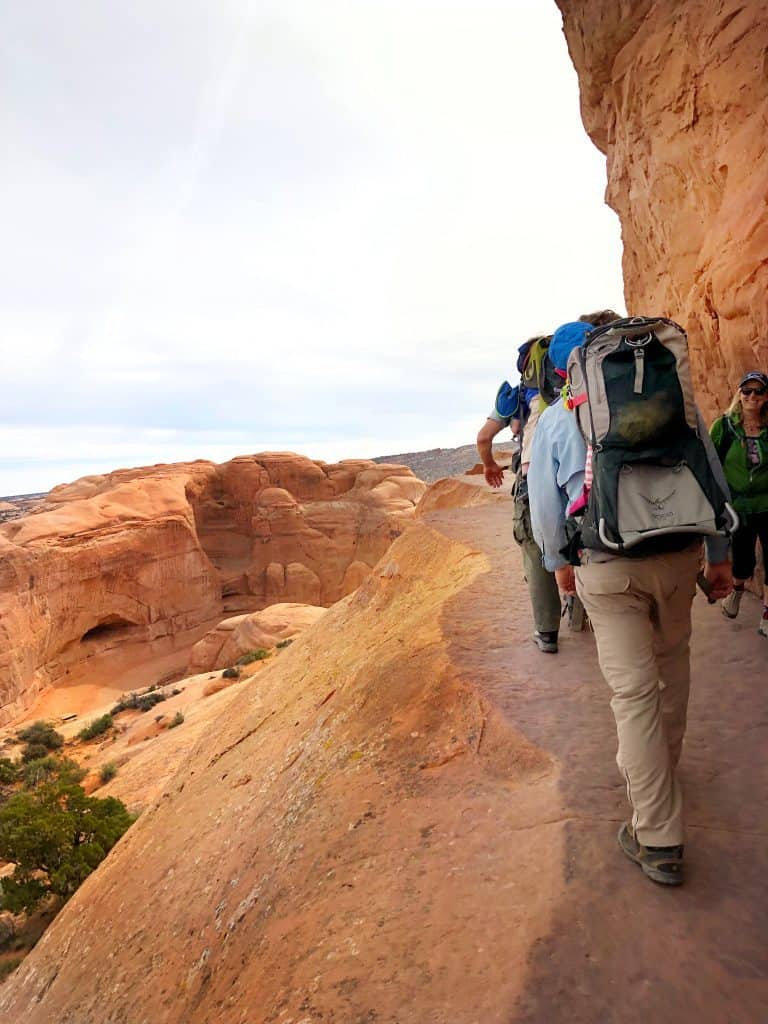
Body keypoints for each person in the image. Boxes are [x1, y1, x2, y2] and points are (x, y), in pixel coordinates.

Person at [528, 319, 733, 887]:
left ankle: (657, 834)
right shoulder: (669, 397)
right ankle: (660, 777)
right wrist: (719, 553)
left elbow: (547, 510)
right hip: (676, 555)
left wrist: (558, 569)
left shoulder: (555, 417)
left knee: (633, 695)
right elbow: (707, 468)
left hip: (607, 566)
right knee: (673, 671)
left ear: (567, 369)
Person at [477, 373, 562, 654]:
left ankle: (547, 631)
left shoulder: (519, 394)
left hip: (534, 473)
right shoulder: (584, 378)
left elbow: (483, 438)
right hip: (579, 466)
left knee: (533, 544)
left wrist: (489, 466)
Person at [710, 370, 768, 637]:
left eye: (758, 391)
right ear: (739, 394)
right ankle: (737, 590)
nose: (752, 397)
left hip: (766, 504)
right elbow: (711, 464)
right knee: (743, 559)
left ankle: (767, 615)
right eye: (747, 391)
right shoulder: (725, 427)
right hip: (738, 507)